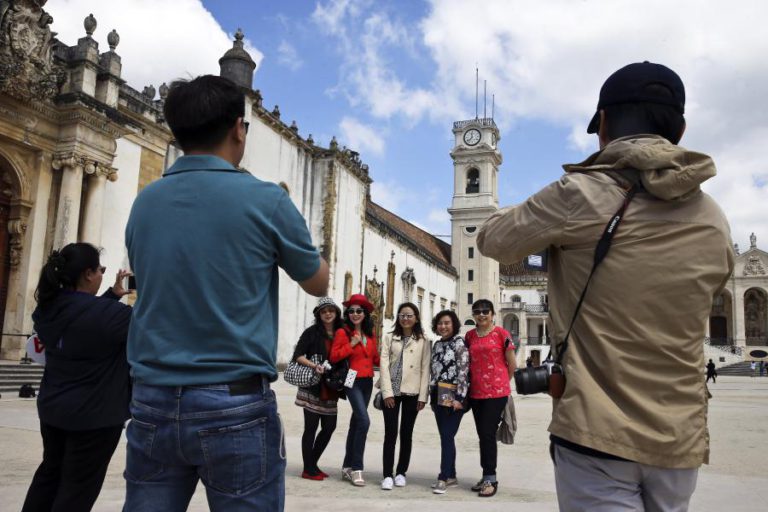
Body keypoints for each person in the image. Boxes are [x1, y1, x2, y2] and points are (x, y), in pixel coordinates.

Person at [477, 62, 734, 511]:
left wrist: (551, 212)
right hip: (678, 438)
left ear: (604, 126)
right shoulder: (713, 218)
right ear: (681, 128)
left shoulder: (579, 194)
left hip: (596, 432)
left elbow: (492, 239)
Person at [123, 75, 329, 512]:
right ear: (238, 128)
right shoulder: (265, 200)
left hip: (151, 399)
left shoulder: (146, 202)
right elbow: (318, 283)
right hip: (232, 403)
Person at [22, 243, 132, 512]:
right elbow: (152, 322)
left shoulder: (48, 309)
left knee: (49, 476)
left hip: (54, 410)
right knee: (76, 492)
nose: (101, 276)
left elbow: (80, 321)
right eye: (100, 270)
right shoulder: (111, 316)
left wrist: (111, 295)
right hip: (94, 418)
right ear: (87, 274)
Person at [464, 299, 516, 497]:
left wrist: (502, 383)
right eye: (477, 311)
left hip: (496, 393)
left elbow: (512, 364)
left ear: (493, 313)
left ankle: (490, 478)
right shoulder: (470, 336)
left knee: (486, 433)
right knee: (483, 434)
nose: (481, 314)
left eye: (485, 311)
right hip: (476, 392)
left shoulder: (502, 334)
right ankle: (486, 475)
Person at [378, 302, 431, 490]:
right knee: (390, 433)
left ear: (416, 318)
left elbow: (426, 369)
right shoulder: (389, 338)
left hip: (412, 392)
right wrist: (386, 392)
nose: (405, 318)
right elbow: (383, 367)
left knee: (406, 433)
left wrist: (423, 396)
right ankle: (387, 474)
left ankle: (401, 472)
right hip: (391, 391)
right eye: (402, 315)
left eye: (409, 315)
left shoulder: (424, 340)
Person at [330, 293, 380, 487]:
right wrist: (351, 344)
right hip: (351, 380)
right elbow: (334, 356)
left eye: (359, 310)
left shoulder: (370, 333)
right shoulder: (343, 332)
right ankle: (357, 467)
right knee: (364, 421)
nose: (355, 314)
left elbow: (374, 358)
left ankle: (346, 466)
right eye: (351, 311)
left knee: (356, 423)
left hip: (367, 380)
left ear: (365, 313)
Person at [292, 297, 343, 480]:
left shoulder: (341, 332)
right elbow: (297, 355)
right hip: (313, 386)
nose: (327, 314)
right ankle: (308, 469)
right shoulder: (312, 332)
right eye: (323, 311)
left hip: (331, 387)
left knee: (329, 427)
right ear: (319, 315)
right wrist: (314, 366)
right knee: (311, 428)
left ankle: (312, 463)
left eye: (331, 310)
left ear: (336, 312)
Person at [429, 310, 469, 495]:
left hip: (453, 396)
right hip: (439, 394)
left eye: (447, 323)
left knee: (446, 435)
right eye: (440, 323)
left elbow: (463, 371)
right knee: (446, 437)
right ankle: (451, 474)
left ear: (453, 325)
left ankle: (443, 477)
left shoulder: (459, 343)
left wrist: (460, 399)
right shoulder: (437, 344)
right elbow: (434, 371)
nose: (443, 326)